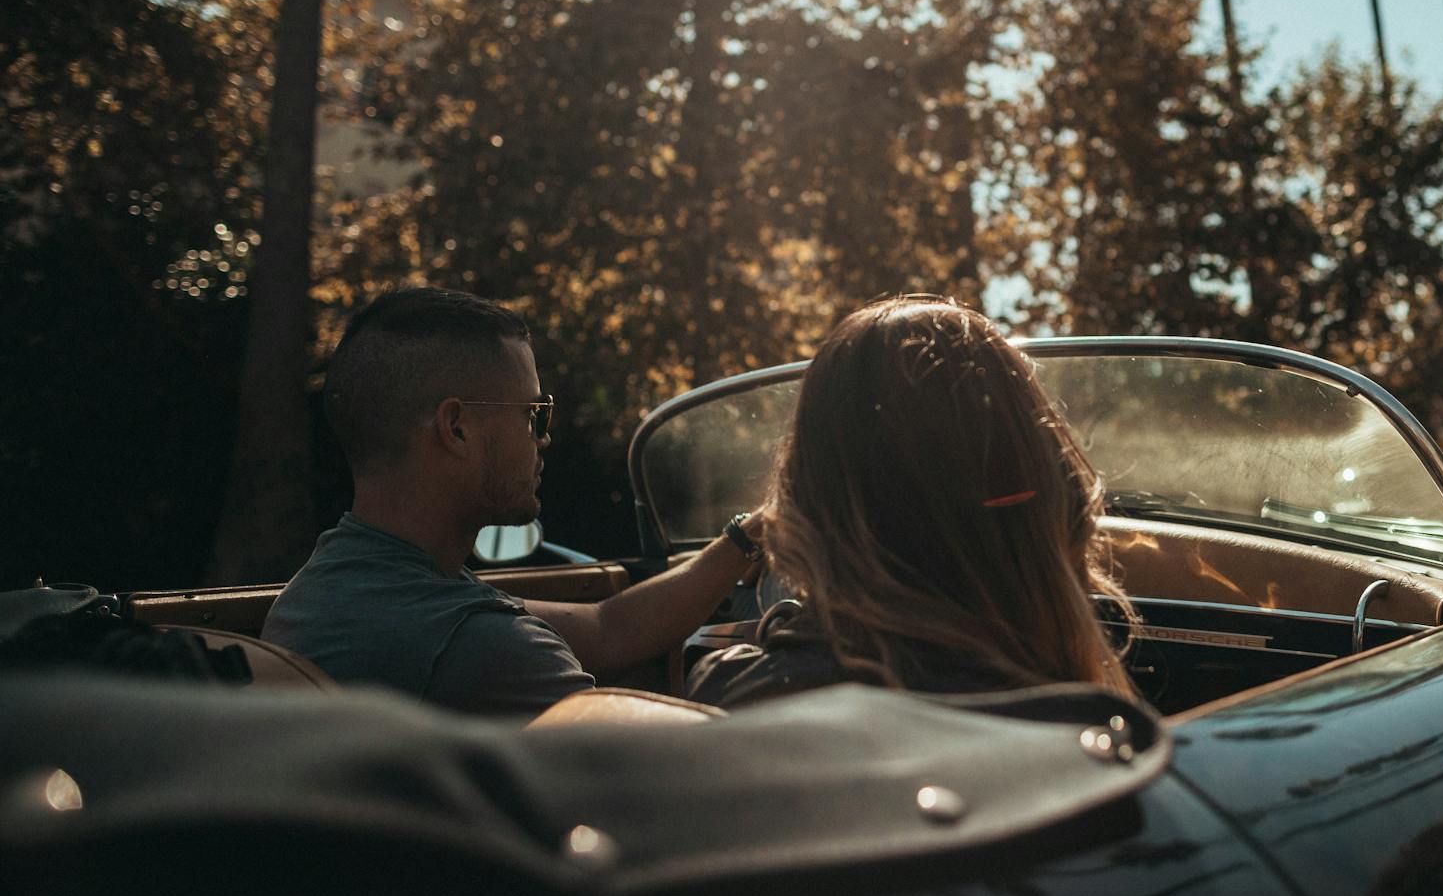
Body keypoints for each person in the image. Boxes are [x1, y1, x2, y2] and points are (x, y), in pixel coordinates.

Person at [262, 288, 761, 717]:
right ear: (456, 428)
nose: (542, 440)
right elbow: (676, 775)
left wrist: (746, 538)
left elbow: (609, 628)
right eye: (532, 415)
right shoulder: (478, 645)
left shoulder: (338, 587)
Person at [686, 296, 1138, 708]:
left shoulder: (735, 694)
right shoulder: (1100, 734)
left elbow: (611, 635)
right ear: (1053, 490)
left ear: (809, 503)